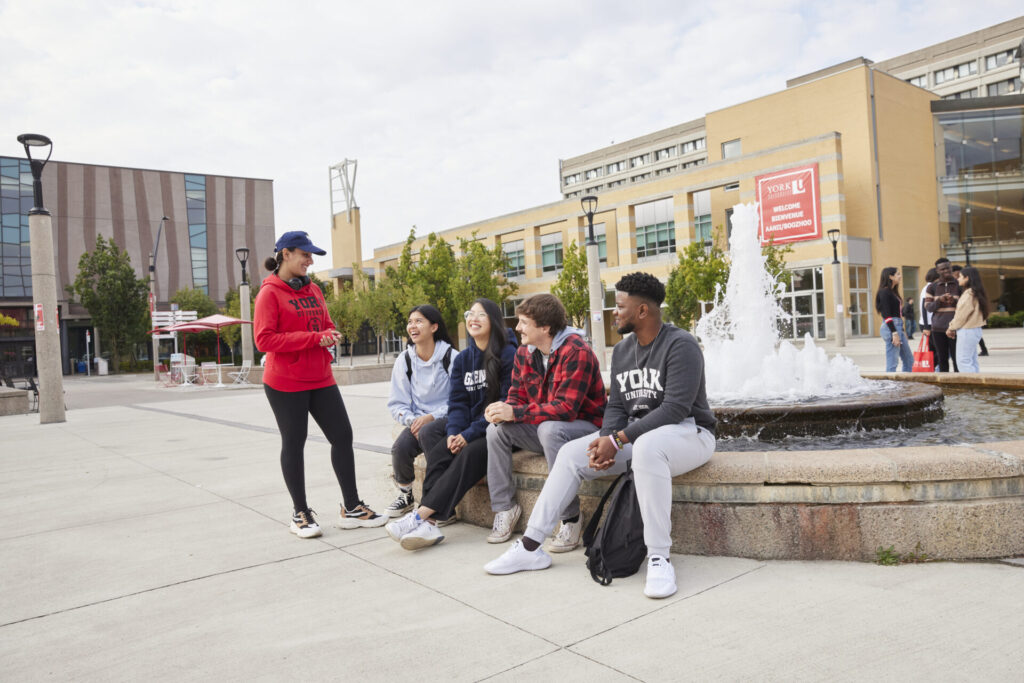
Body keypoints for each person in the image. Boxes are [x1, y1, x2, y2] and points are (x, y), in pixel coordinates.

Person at [484, 273, 716, 599]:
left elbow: (675, 409)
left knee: (648, 446)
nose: (614, 313)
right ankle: (531, 546)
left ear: (643, 311)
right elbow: (617, 407)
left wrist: (618, 440)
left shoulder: (681, 345)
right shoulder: (622, 351)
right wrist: (604, 440)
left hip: (690, 433)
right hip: (637, 436)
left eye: (620, 306)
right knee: (569, 453)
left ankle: (659, 557)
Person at [254, 231, 385, 539]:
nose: (310, 261)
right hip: (285, 382)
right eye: (306, 255)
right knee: (294, 442)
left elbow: (325, 322)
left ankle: (351, 507)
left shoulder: (313, 289)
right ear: (286, 254)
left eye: (312, 256)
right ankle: (300, 513)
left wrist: (329, 333)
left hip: (320, 376)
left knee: (342, 435)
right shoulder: (269, 294)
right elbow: (264, 340)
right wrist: (313, 338)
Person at [385, 298, 517, 550]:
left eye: (481, 315)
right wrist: (454, 432)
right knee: (441, 450)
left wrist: (467, 434)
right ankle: (430, 524)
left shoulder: (508, 353)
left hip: (500, 430)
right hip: (469, 430)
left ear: (494, 321)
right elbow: (456, 402)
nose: (473, 319)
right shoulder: (463, 359)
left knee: (468, 453)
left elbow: (504, 402)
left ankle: (420, 517)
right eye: (470, 313)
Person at [483, 293, 606, 550]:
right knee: (496, 431)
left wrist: (515, 413)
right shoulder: (524, 353)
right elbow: (516, 397)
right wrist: (501, 410)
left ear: (545, 327)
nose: (517, 328)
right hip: (546, 428)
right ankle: (505, 508)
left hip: (586, 430)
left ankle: (570, 517)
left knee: (551, 430)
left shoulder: (576, 351)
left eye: (524, 322)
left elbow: (566, 409)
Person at [385, 305, 455, 517]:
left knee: (428, 433)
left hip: (447, 418)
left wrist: (432, 417)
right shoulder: (404, 360)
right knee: (401, 448)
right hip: (419, 421)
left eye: (419, 321)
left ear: (434, 327)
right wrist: (413, 420)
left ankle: (440, 503)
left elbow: (461, 399)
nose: (412, 326)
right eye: (410, 322)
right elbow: (397, 403)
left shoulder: (452, 357)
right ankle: (406, 495)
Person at [946, 266, 990, 373]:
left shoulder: (969, 294)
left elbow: (961, 315)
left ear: (967, 278)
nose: (958, 279)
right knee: (971, 361)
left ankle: (971, 388)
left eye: (960, 277)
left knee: (963, 361)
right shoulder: (977, 293)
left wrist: (951, 328)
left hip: (967, 330)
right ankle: (976, 387)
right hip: (974, 330)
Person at [924, 258, 961, 372]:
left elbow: (966, 306)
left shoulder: (959, 284)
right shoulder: (932, 287)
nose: (946, 270)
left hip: (956, 328)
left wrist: (953, 301)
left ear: (951, 267)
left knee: (957, 359)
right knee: (942, 359)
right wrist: (939, 300)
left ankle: (958, 386)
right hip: (938, 329)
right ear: (937, 270)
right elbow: (928, 307)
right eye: (942, 269)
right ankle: (945, 388)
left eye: (948, 268)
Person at [875, 267, 913, 372]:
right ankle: (890, 387)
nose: (900, 276)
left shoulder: (893, 292)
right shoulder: (884, 292)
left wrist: (902, 330)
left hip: (898, 326)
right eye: (898, 274)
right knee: (893, 362)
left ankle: (905, 385)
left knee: (909, 360)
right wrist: (894, 333)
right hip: (891, 327)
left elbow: (898, 313)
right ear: (890, 277)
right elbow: (886, 315)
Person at [919, 267, 938, 367]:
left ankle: (932, 369)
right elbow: (924, 306)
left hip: (930, 323)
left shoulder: (930, 287)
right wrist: (926, 327)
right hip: (928, 323)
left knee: (933, 350)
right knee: (938, 350)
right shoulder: (928, 288)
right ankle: (931, 367)